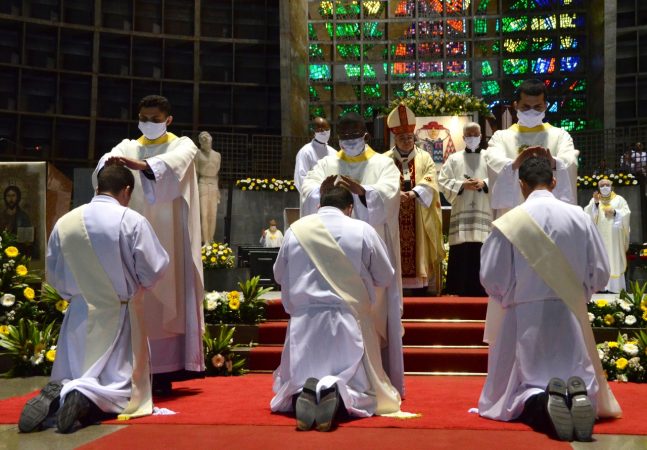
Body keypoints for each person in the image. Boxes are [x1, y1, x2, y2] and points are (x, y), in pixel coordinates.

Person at [478, 157, 622, 442]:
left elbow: (492, 275)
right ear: (554, 182)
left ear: (521, 186)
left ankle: (544, 404)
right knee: (574, 367)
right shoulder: (579, 216)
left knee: (524, 385)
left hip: (524, 314)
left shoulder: (509, 222)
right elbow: (601, 270)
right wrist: (578, 293)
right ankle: (577, 395)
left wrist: (511, 296)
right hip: (570, 311)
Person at [19, 165, 169, 434]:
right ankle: (86, 397)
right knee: (122, 388)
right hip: (121, 312)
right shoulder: (130, 220)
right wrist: (137, 288)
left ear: (97, 188)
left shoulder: (65, 222)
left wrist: (76, 296)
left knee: (74, 370)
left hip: (78, 313)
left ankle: (63, 388)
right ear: (126, 191)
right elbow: (154, 268)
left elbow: (54, 275)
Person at [92, 94, 204, 393]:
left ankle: (168, 369)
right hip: (133, 232)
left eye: (155, 119)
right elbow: (105, 165)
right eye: (143, 118)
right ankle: (133, 367)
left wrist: (141, 165)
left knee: (168, 296)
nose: (148, 124)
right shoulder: (128, 145)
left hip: (171, 237)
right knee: (140, 298)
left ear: (168, 120)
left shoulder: (183, 144)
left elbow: (172, 166)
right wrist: (112, 161)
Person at [271, 186, 401, 431]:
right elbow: (385, 276)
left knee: (301, 374)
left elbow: (278, 274)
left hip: (304, 322)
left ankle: (303, 393)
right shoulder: (362, 230)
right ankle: (336, 389)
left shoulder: (296, 230)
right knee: (360, 386)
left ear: (319, 206)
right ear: (349, 208)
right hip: (348, 320)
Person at [300, 112, 404, 396]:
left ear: (366, 135)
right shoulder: (326, 164)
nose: (349, 142)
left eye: (355, 136)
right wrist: (321, 191)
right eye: (344, 138)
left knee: (373, 317)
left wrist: (364, 192)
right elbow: (307, 187)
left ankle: (373, 378)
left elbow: (390, 195)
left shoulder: (383, 164)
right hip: (331, 257)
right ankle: (333, 381)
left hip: (368, 254)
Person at [484, 78, 579, 218]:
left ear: (545, 106)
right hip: (514, 212)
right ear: (516, 105)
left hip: (550, 212)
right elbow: (492, 159)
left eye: (537, 107)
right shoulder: (501, 137)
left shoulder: (560, 135)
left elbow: (569, 159)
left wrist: (553, 162)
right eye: (526, 107)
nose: (531, 111)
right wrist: (515, 163)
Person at [383, 104, 443, 291]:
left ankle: (420, 286)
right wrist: (395, 194)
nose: (407, 141)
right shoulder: (384, 159)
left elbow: (431, 178)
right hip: (395, 212)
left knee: (418, 250)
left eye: (409, 137)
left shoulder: (424, 157)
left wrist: (415, 192)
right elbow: (380, 182)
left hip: (418, 209)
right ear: (395, 139)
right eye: (402, 138)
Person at [438, 122, 492, 296]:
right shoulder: (454, 159)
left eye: (475, 135)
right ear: (463, 138)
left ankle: (482, 290)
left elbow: (501, 179)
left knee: (481, 250)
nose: (472, 138)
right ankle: (458, 289)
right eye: (468, 135)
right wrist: (462, 185)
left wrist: (484, 183)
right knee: (462, 252)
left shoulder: (490, 157)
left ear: (481, 136)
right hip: (462, 214)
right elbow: (442, 181)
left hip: (483, 211)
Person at [584, 179, 630, 293]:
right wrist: (595, 204)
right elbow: (587, 215)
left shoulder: (619, 199)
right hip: (599, 238)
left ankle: (615, 287)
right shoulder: (594, 200)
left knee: (614, 259)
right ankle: (601, 287)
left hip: (614, 239)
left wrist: (615, 212)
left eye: (607, 185)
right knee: (600, 259)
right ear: (599, 188)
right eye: (602, 185)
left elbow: (626, 214)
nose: (605, 187)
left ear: (611, 186)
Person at [293, 117, 336, 194]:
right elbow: (300, 178)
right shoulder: (305, 152)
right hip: (312, 196)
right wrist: (314, 194)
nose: (324, 132)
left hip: (331, 197)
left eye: (327, 129)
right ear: (313, 132)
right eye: (320, 130)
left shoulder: (333, 152)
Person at [196, 131, 221, 244]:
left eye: (209, 143)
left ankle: (211, 239)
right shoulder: (197, 154)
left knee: (213, 214)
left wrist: (218, 191)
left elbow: (217, 175)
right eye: (205, 143)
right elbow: (195, 173)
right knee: (204, 214)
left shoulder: (217, 155)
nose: (207, 145)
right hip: (202, 183)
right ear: (201, 143)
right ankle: (205, 240)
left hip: (213, 183)